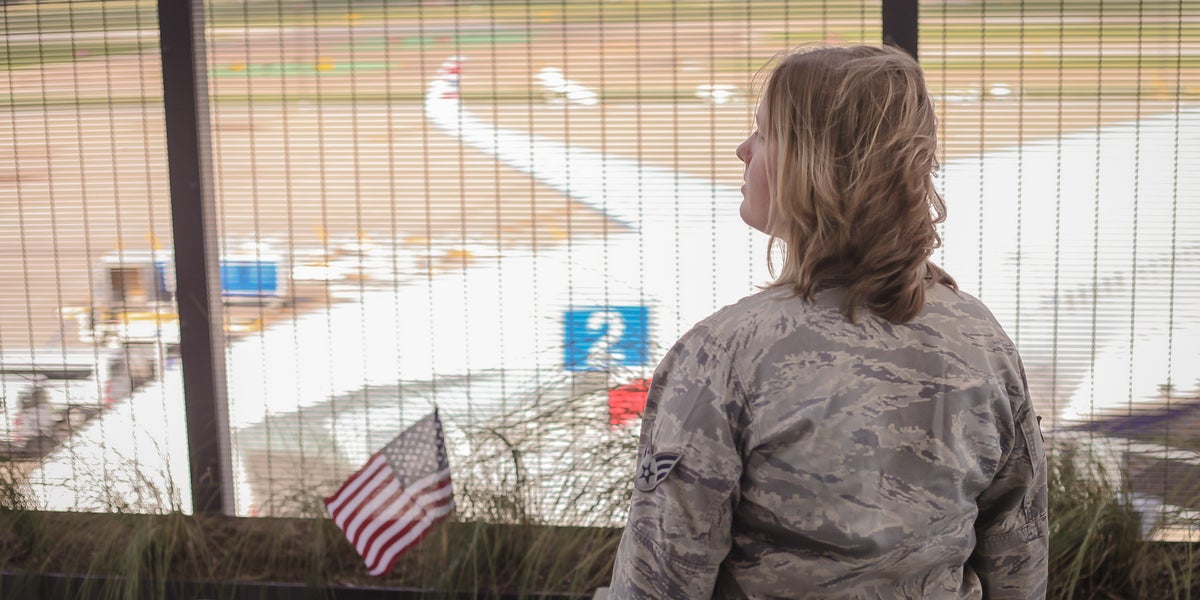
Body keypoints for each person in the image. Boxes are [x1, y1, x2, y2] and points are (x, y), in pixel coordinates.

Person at [608, 45, 1048, 598]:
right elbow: (1018, 553)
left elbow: (661, 579)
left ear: (814, 164)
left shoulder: (723, 357)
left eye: (765, 134)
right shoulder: (979, 337)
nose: (742, 150)